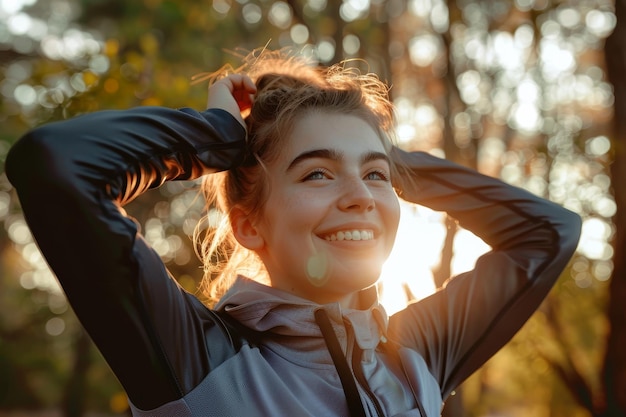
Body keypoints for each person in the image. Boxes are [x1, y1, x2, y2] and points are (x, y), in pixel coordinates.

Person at [6, 49, 581, 417]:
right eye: (318, 173)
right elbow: (56, 164)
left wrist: (390, 158)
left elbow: (550, 232)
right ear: (249, 225)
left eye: (375, 177)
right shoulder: (197, 358)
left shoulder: (417, 353)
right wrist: (214, 137)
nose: (359, 195)